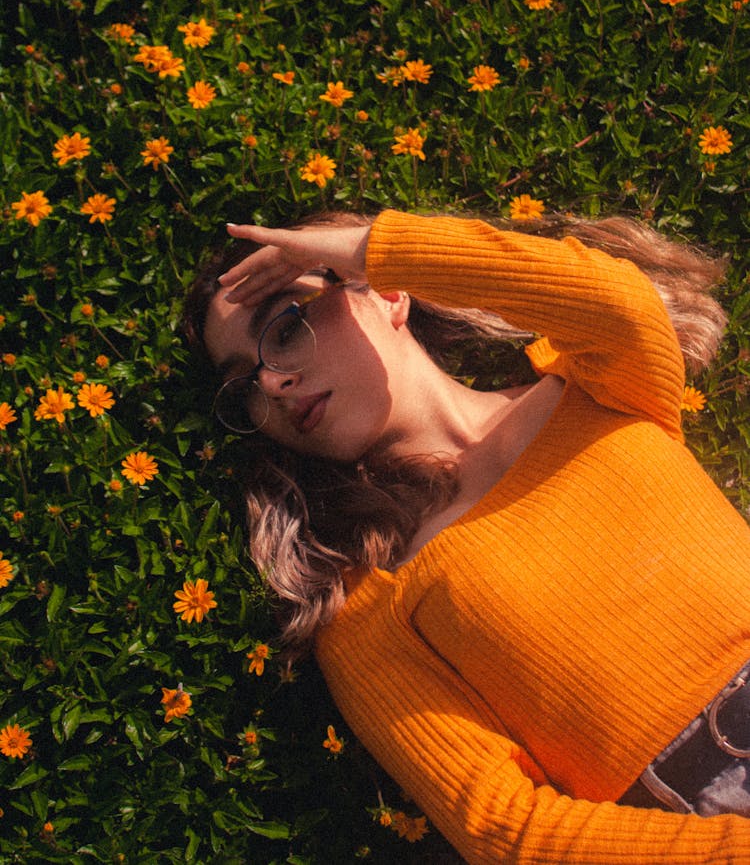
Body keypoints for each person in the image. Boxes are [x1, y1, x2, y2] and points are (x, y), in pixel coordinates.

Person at [183, 207, 750, 863]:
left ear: (388, 293)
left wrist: (381, 246)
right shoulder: (365, 602)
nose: (273, 385)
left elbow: (618, 300)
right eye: (243, 387)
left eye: (287, 325)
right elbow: (504, 827)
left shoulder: (595, 382)